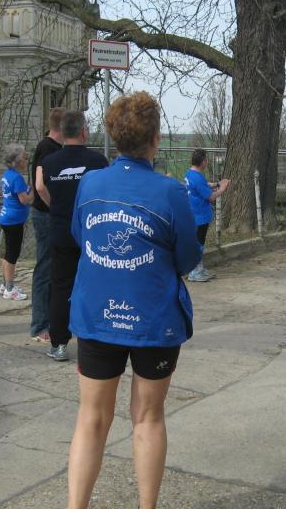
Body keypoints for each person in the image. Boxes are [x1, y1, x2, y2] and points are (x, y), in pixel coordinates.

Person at [66, 91, 201, 509]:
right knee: (147, 417)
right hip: (153, 320)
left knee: (91, 419)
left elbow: (81, 237)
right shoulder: (170, 192)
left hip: (97, 314)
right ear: (155, 139)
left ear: (114, 136)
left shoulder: (90, 183)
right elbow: (188, 258)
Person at [39, 110, 108, 361]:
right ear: (83, 132)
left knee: (60, 286)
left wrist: (56, 207)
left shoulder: (50, 162)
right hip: (90, 231)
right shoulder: (98, 161)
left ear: (62, 131)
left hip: (61, 231)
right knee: (94, 284)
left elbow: (39, 187)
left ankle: (59, 344)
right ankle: (97, 340)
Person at [29, 108, 65, 342]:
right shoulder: (47, 147)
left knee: (52, 268)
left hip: (46, 214)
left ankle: (50, 321)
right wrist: (54, 206)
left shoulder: (52, 147)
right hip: (45, 215)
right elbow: (40, 185)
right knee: (44, 268)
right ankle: (40, 325)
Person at [184, 148, 230, 281]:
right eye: (206, 160)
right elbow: (210, 197)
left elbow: (204, 185)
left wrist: (216, 184)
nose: (207, 162)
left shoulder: (190, 173)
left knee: (198, 242)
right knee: (199, 243)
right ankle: (195, 272)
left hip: (193, 214)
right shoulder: (197, 177)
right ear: (203, 161)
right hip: (200, 216)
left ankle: (198, 268)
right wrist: (222, 189)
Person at [0, 143, 34, 300]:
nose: (26, 160)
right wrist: (34, 191)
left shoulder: (7, 175)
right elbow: (24, 199)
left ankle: (5, 284)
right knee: (12, 255)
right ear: (17, 161)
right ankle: (10, 289)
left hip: (6, 217)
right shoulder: (17, 178)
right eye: (24, 158)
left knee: (7, 253)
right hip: (14, 220)